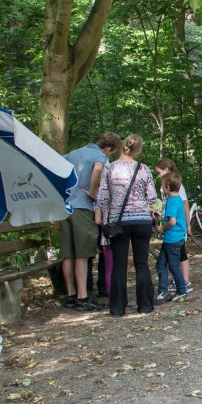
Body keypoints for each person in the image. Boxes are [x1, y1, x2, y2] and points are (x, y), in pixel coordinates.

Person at [96, 134, 158, 316]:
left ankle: (117, 308)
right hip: (141, 221)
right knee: (141, 263)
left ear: (123, 146)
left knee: (119, 264)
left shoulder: (110, 168)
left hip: (119, 222)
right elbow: (152, 197)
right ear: (138, 149)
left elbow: (103, 198)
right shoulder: (143, 169)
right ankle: (146, 305)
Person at [60, 132, 121, 311]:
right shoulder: (100, 156)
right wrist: (93, 192)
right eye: (112, 152)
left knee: (68, 254)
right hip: (82, 208)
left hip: (65, 207)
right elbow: (97, 169)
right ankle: (83, 297)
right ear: (108, 148)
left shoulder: (72, 153)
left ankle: (70, 295)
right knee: (82, 255)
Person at [154, 158, 192, 294]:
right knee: (162, 264)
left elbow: (173, 221)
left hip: (173, 237)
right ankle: (163, 291)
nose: (158, 176)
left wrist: (162, 228)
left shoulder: (173, 200)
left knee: (174, 265)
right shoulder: (173, 198)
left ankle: (182, 289)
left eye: (159, 173)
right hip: (173, 236)